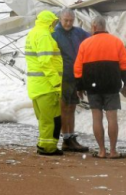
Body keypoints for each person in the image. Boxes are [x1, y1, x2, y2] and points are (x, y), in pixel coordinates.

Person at [74, 16, 126, 159]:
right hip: (111, 85)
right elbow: (125, 65)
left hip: (93, 87)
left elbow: (78, 68)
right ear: (105, 27)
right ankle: (113, 151)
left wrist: (79, 87)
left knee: (96, 118)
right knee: (112, 118)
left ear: (93, 27)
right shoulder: (116, 42)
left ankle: (101, 151)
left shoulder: (85, 44)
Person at [51, 8, 90, 152]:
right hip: (62, 76)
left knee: (72, 106)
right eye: (65, 20)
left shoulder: (78, 32)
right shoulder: (54, 34)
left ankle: (71, 137)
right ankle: (65, 138)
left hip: (76, 75)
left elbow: (92, 39)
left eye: (70, 20)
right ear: (60, 19)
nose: (68, 23)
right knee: (64, 107)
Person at [25, 10, 64, 156]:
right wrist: (56, 83)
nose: (56, 23)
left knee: (43, 119)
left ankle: (43, 144)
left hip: (36, 85)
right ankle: (48, 148)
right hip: (47, 85)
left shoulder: (32, 33)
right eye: (54, 21)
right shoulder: (44, 36)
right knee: (52, 119)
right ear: (49, 21)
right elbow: (45, 62)